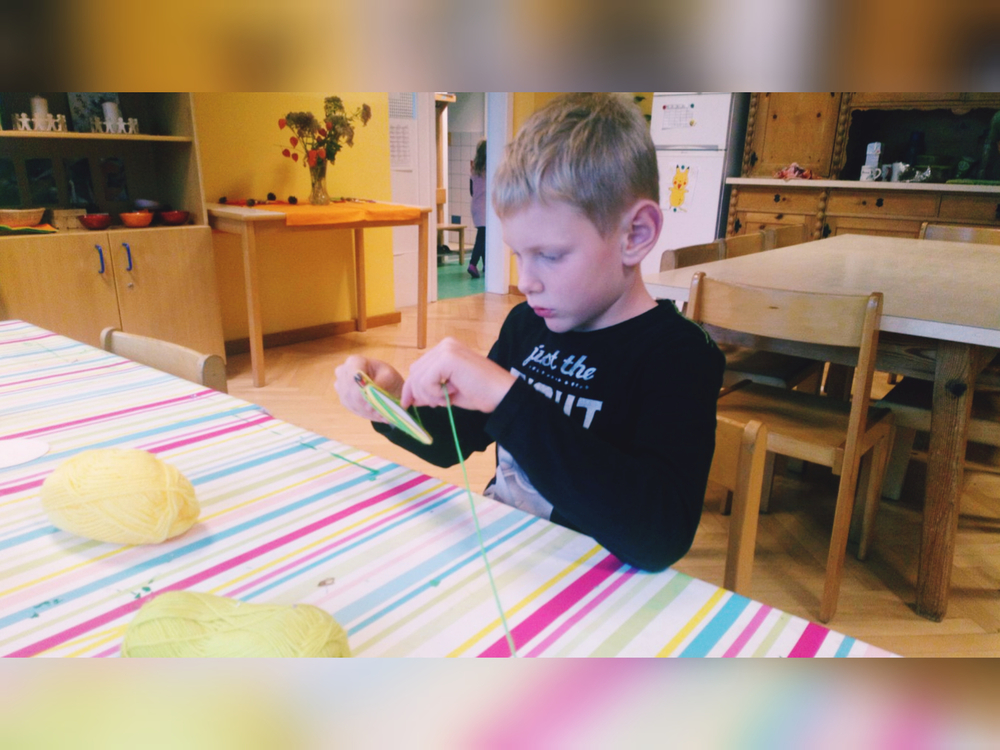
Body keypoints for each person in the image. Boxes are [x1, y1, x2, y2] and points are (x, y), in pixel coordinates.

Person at [334, 93, 725, 572]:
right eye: (518, 254)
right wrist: (391, 400)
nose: (525, 281)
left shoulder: (679, 355)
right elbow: (453, 442)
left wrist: (509, 399)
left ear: (635, 235)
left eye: (550, 255)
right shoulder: (526, 326)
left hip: (596, 586)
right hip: (508, 559)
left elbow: (659, 537)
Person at [467, 139, 487, 278]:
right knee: (482, 236)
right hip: (485, 206)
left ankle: (486, 264)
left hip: (476, 205)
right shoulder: (489, 169)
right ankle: (473, 263)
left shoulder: (474, 170)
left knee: (484, 235)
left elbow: (471, 191)